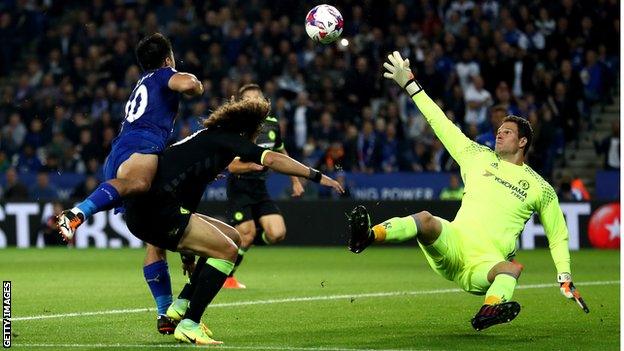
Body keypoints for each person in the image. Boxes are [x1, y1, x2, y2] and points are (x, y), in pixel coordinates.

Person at [347, 51, 585, 331]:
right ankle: (366, 236)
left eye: (507, 132)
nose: (499, 133)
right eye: (499, 129)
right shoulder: (477, 156)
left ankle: (488, 311)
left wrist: (564, 275)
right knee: (425, 219)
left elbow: (557, 235)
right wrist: (411, 85)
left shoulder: (541, 188)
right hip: (454, 243)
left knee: (512, 269)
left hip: (485, 264)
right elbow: (441, 123)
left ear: (523, 141)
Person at [122, 97, 343, 344]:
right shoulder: (226, 139)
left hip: (153, 209)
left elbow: (185, 194)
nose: (256, 138)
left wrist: (187, 254)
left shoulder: (209, 139)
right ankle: (190, 323)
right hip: (154, 213)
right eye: (256, 133)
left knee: (233, 237)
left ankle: (182, 304)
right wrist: (317, 176)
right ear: (248, 129)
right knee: (227, 251)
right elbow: (272, 159)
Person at [57, 32, 203, 241]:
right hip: (143, 145)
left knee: (154, 229)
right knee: (140, 183)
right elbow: (189, 84)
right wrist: (198, 85)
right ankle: (77, 213)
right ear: (168, 60)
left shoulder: (142, 82)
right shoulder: (163, 74)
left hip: (122, 149)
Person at [224, 83, 304, 289]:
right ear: (242, 103)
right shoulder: (236, 126)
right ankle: (226, 277)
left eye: (256, 98)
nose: (253, 101)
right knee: (248, 233)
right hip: (239, 186)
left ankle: (237, 240)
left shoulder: (272, 123)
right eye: (248, 98)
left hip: (259, 188)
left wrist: (295, 179)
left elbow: (280, 152)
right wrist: (253, 164)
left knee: (277, 233)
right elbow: (231, 167)